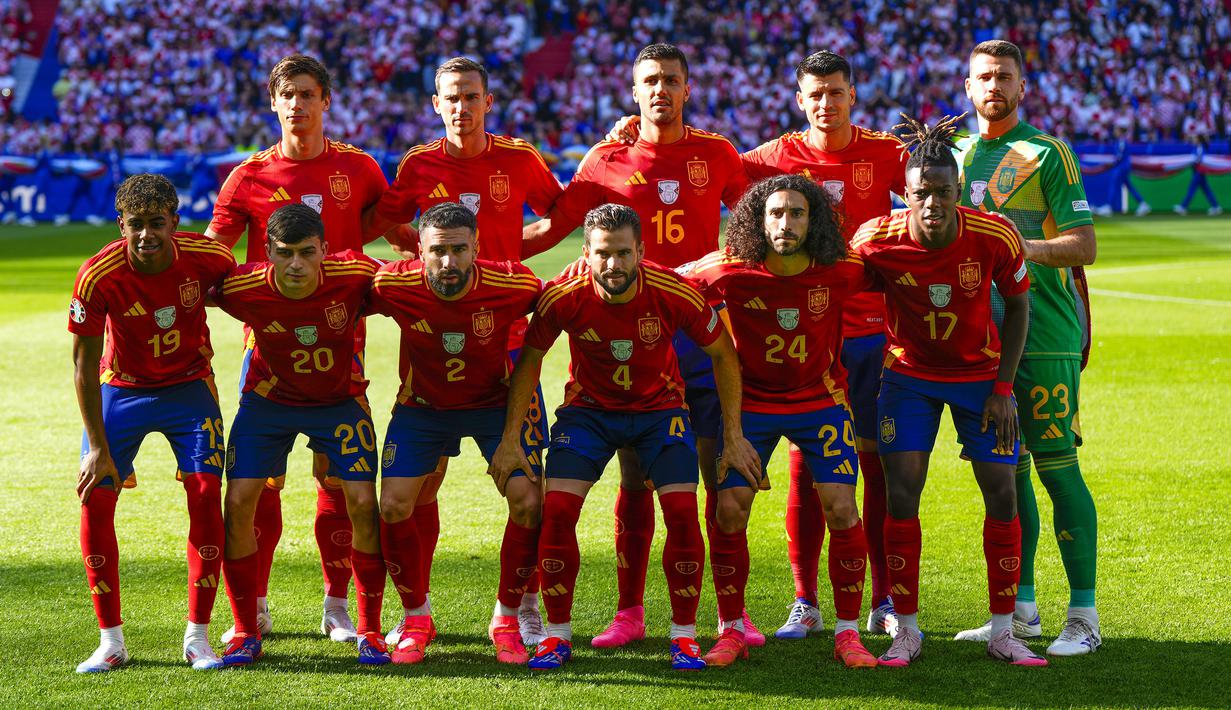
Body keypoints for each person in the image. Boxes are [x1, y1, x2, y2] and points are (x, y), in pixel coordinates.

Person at [522, 43, 756, 647]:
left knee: (713, 475)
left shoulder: (716, 154)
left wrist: (720, 260)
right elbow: (554, 227)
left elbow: (757, 224)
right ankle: (630, 612)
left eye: (671, 80)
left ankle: (732, 614)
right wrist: (479, 263)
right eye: (650, 80)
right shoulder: (606, 159)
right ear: (634, 92)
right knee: (634, 478)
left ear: (687, 88)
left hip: (700, 332)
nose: (661, 90)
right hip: (624, 329)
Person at [492, 204, 760, 670]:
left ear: (639, 251)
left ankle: (683, 637)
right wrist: (511, 437)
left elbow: (723, 354)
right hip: (588, 413)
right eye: (602, 254)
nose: (612, 265)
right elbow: (530, 359)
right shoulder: (564, 295)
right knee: (555, 510)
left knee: (680, 511)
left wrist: (732, 436)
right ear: (586, 253)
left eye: (622, 253)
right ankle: (556, 637)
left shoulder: (674, 290)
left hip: (660, 412)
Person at [363, 57, 563, 646]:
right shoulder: (420, 164)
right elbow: (386, 221)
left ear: (488, 101)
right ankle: (415, 612)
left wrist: (511, 259)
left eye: (471, 97)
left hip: (503, 339)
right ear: (436, 103)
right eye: (451, 98)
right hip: (431, 339)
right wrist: (427, 253)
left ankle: (521, 604)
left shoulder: (520, 158)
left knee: (527, 486)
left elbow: (560, 216)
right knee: (419, 487)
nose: (461, 107)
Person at [205, 54, 393, 646]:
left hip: (344, 350)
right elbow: (215, 254)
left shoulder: (359, 169)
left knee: (338, 485)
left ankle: (338, 605)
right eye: (287, 94)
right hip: (267, 352)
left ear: (325, 100)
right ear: (273, 103)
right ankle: (253, 607)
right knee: (260, 487)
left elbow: (404, 231)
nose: (297, 105)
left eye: (307, 94)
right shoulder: (248, 177)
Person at [853, 113, 1046, 667]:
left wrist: (1004, 387)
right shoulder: (877, 240)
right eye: (921, 193)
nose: (932, 202)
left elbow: (1018, 306)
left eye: (942, 191)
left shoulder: (994, 234)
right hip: (909, 376)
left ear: (958, 191)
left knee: (1003, 494)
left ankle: (1004, 631)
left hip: (980, 378)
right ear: (905, 195)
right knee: (901, 494)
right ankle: (907, 630)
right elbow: (836, 285)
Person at [682, 174, 878, 668]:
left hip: (821, 399)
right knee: (729, 509)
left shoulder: (841, 269)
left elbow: (896, 271)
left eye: (796, 213)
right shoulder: (728, 270)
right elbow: (666, 282)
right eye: (774, 213)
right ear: (756, 219)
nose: (784, 222)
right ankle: (730, 629)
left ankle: (848, 634)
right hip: (752, 405)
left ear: (813, 221)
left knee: (840, 508)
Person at [953, 40, 1102, 656]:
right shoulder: (954, 157)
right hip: (980, 339)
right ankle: (1022, 608)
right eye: (983, 76)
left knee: (1055, 465)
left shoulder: (1045, 153)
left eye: (1004, 76)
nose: (993, 85)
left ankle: (1085, 617)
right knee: (1006, 474)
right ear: (967, 88)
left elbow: (1084, 245)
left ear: (1022, 86)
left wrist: (1016, 248)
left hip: (1042, 332)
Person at [365, 203, 544, 665]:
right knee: (393, 504)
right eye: (438, 251)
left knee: (528, 500)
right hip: (422, 409)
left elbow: (555, 309)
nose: (449, 263)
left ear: (476, 248)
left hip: (492, 406)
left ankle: (506, 618)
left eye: (459, 250)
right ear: (418, 250)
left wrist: (512, 437)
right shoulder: (392, 284)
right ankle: (416, 617)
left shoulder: (513, 283)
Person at [70, 174, 236, 672]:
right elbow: (82, 365)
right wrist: (97, 447)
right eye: (135, 225)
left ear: (174, 223)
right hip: (122, 391)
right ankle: (110, 641)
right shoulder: (99, 275)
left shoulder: (210, 259)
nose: (146, 235)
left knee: (207, 496)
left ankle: (198, 637)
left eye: (156, 224)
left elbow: (244, 295)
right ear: (120, 225)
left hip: (190, 390)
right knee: (95, 497)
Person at [212, 205, 387, 667]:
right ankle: (247, 631)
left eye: (307, 253)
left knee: (365, 505)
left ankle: (369, 630)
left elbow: (408, 282)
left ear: (324, 251)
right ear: (267, 252)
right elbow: (189, 288)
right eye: (285, 253)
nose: (296, 264)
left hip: (338, 402)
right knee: (238, 503)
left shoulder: (354, 273)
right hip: (267, 403)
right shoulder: (243, 284)